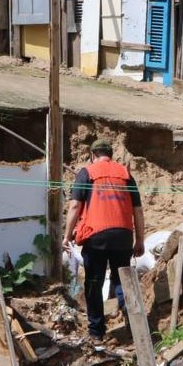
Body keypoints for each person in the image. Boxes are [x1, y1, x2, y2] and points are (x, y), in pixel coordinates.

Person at [64, 139, 145, 341]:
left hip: (96, 237)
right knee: (122, 281)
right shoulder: (126, 174)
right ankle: (135, 329)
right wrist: (140, 240)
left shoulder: (87, 173)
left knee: (94, 282)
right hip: (123, 236)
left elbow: (74, 207)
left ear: (93, 155)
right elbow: (138, 211)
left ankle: (96, 332)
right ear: (111, 155)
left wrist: (66, 236)